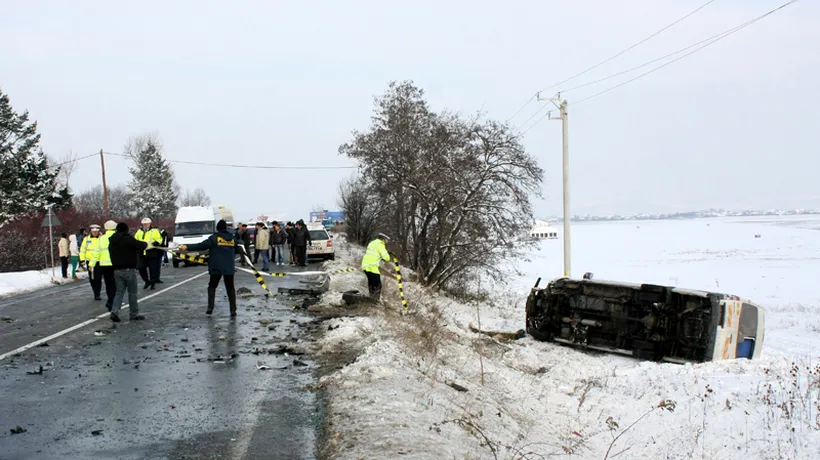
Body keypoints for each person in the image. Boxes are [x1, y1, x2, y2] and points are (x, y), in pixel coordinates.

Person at [179, 219, 239, 317]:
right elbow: (237, 250)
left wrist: (187, 247)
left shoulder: (214, 238)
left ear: (217, 228)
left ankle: (210, 308)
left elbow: (201, 246)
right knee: (230, 289)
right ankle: (233, 310)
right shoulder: (232, 239)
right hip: (229, 267)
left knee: (212, 287)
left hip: (216, 267)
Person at [108, 222, 149, 322]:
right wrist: (146, 244)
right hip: (128, 269)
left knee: (119, 292)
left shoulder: (112, 240)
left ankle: (114, 311)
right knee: (132, 293)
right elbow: (140, 245)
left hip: (116, 270)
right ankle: (134, 314)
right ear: (126, 229)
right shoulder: (128, 239)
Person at [135, 217, 163, 290]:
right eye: (144, 224)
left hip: (151, 251)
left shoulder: (154, 231)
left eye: (146, 224)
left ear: (149, 224)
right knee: (141, 268)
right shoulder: (139, 231)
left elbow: (160, 239)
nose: (145, 225)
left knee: (152, 268)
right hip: (142, 252)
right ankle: (146, 281)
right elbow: (135, 239)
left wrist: (156, 242)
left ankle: (152, 282)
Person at [361, 233, 391, 299]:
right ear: (383, 239)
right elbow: (386, 258)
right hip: (372, 267)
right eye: (386, 240)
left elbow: (375, 253)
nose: (386, 242)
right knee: (378, 285)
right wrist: (387, 254)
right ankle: (375, 300)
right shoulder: (380, 244)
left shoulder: (372, 243)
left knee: (371, 283)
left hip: (365, 265)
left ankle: (371, 298)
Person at [98, 220, 118, 311]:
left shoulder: (101, 238)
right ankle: (111, 301)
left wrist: (92, 264)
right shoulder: (117, 237)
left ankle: (110, 298)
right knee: (116, 284)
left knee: (108, 283)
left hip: (104, 264)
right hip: (115, 263)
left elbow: (97, 252)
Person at [80, 225, 102, 300]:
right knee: (92, 279)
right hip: (90, 262)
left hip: (99, 261)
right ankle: (95, 291)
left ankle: (97, 294)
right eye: (93, 232)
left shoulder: (101, 239)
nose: (95, 233)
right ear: (91, 232)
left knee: (98, 278)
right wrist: (82, 260)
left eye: (96, 232)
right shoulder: (86, 239)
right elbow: (82, 250)